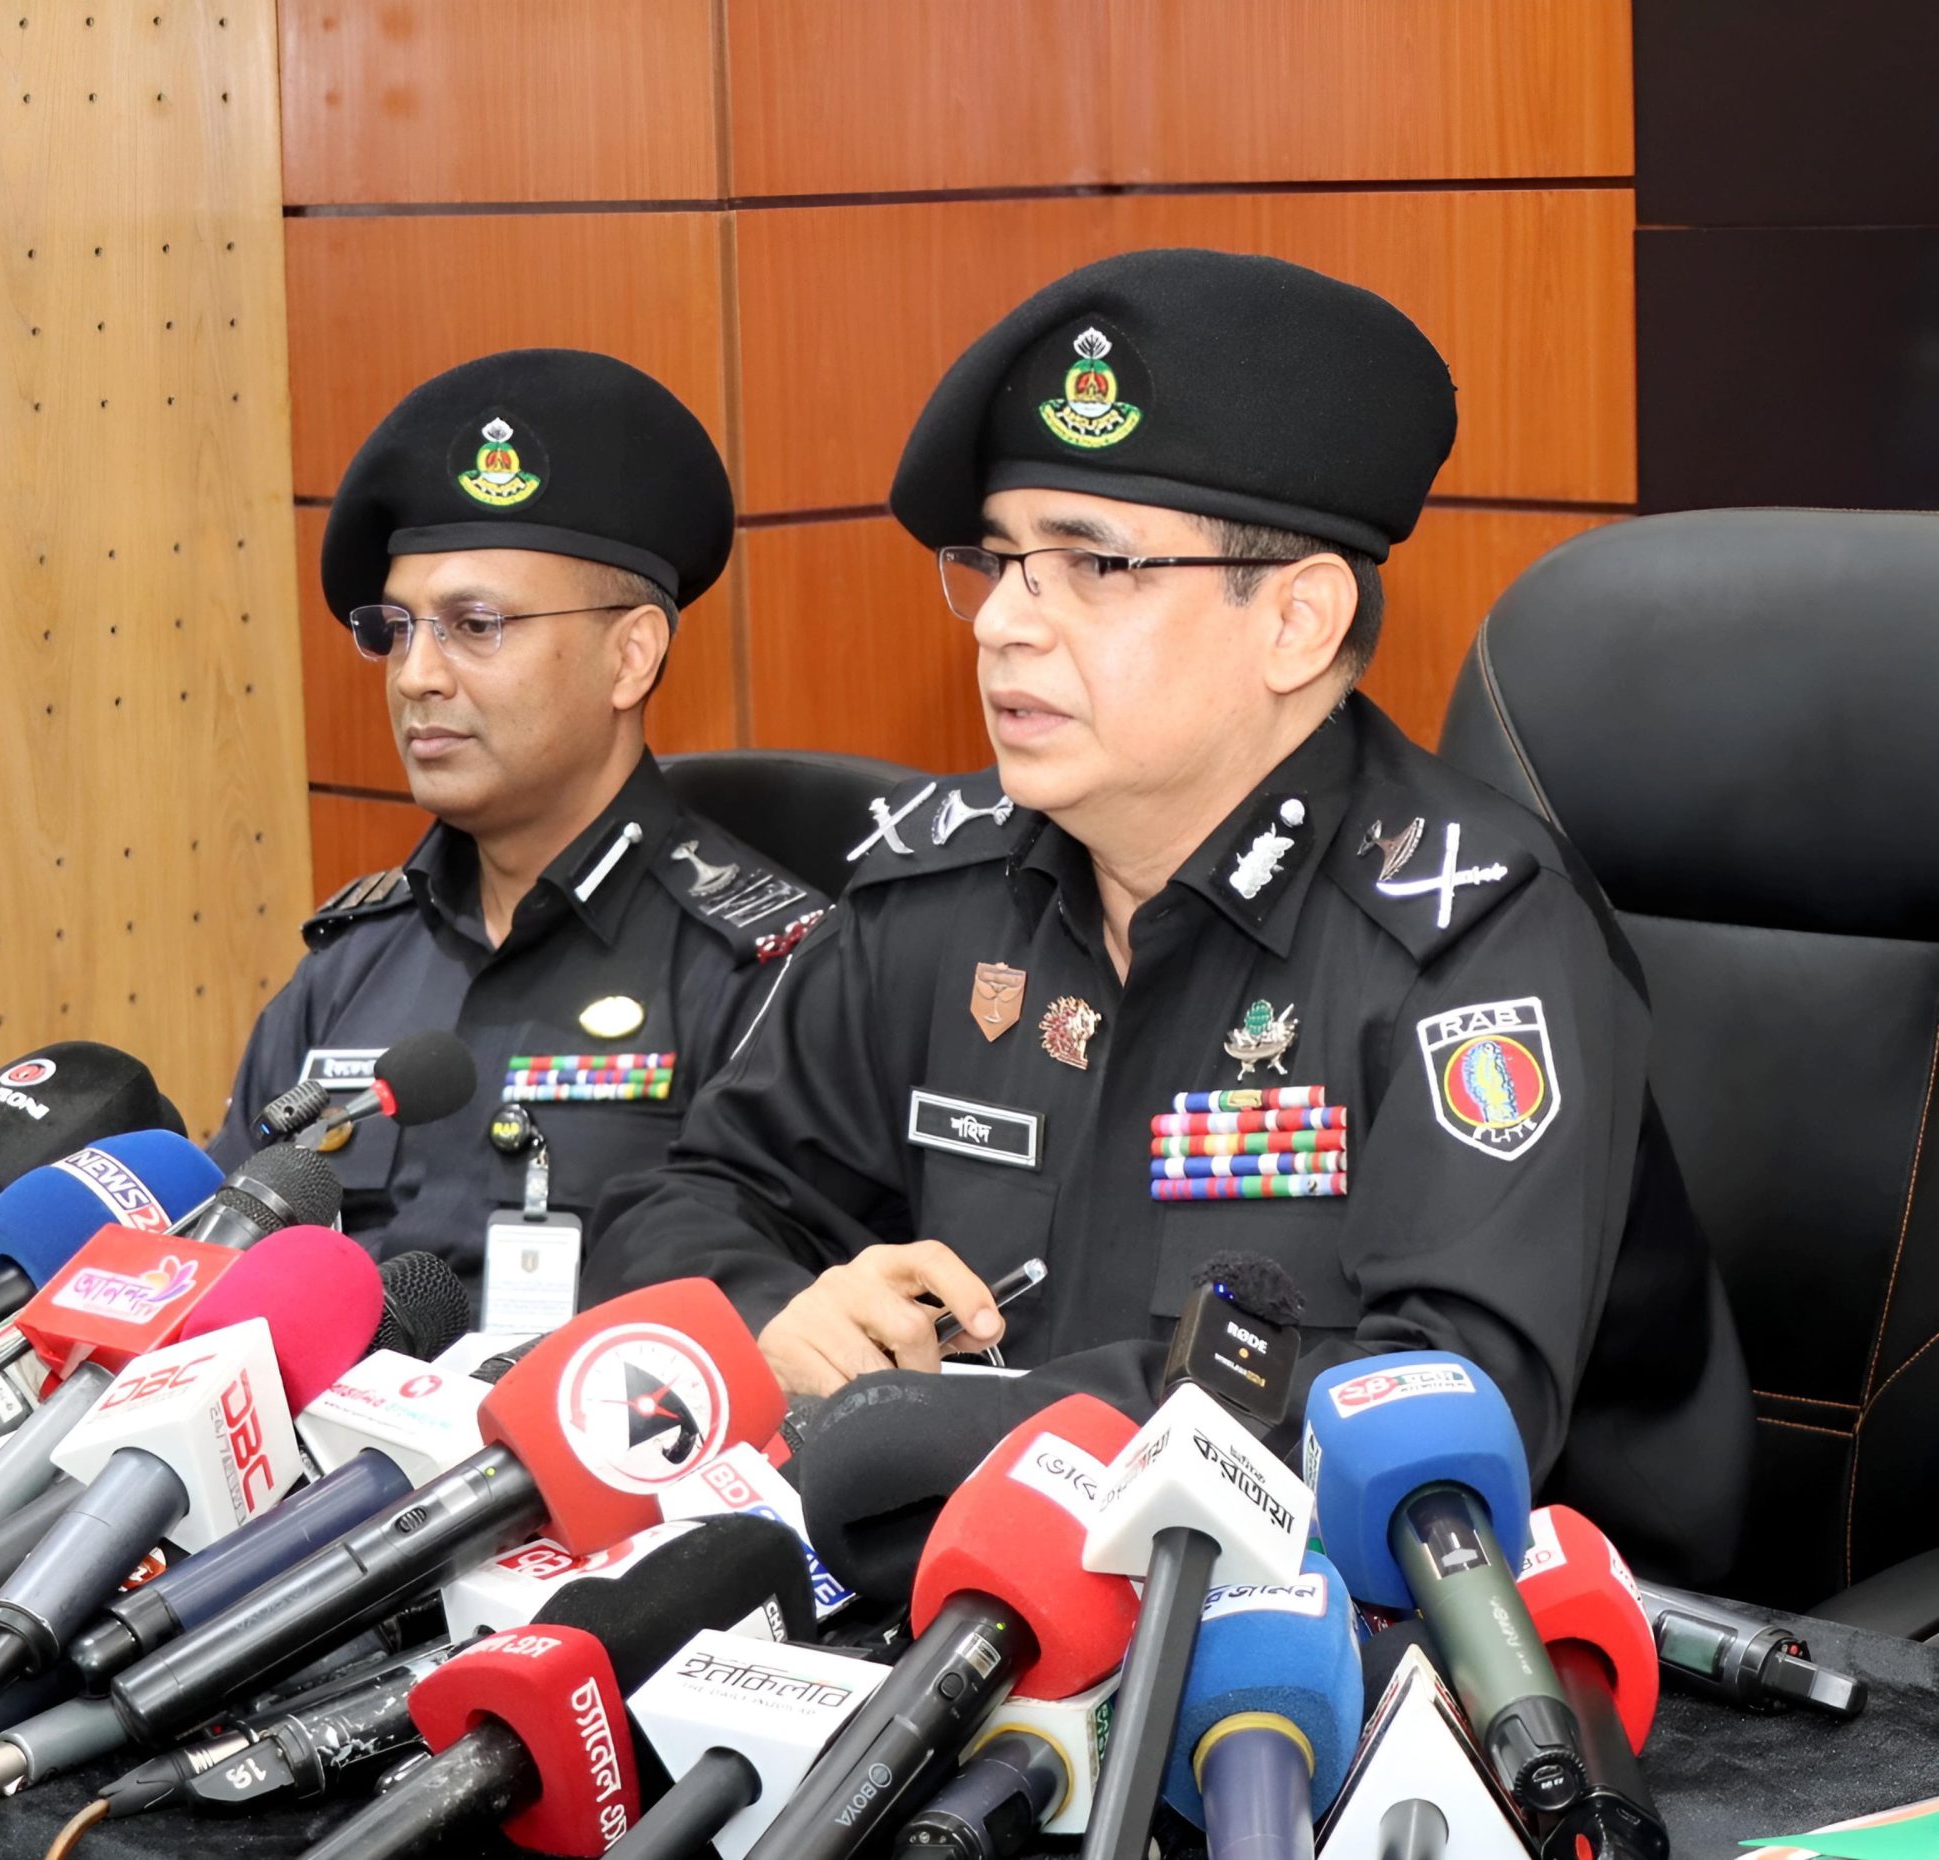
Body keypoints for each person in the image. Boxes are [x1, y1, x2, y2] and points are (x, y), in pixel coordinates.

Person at [584, 250, 1749, 1576]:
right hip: (997, 1605)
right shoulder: (942, 891)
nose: (1003, 624)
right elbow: (685, 1200)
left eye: (1093, 564)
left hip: (1443, 1652)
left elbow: (1438, 1414)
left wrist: (935, 1426)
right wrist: (775, 1317)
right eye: (998, 560)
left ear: (1296, 621)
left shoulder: (1476, 940)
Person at [217, 349, 828, 1316]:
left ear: (630, 657)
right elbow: (221, 1265)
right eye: (398, 629)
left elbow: (777, 1331)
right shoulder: (346, 971)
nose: (417, 676)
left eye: (475, 625)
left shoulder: (766, 976)